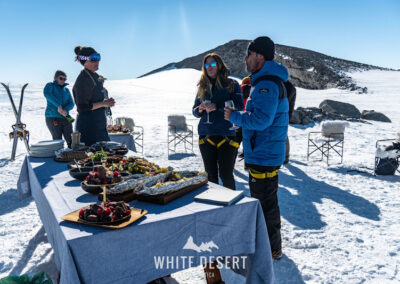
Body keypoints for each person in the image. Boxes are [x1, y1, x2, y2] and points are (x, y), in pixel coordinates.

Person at [224, 36, 289, 260]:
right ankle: (271, 247)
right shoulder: (265, 81)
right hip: (264, 152)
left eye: (248, 55)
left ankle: (269, 249)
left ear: (259, 57)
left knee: (264, 204)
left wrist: (235, 116)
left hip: (264, 154)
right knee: (266, 201)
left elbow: (261, 120)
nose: (245, 59)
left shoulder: (267, 85)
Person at [192, 53, 243, 190]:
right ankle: (215, 209)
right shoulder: (202, 86)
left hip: (226, 134)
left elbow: (239, 106)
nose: (209, 67)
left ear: (219, 65)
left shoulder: (232, 84)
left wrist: (218, 106)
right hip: (206, 135)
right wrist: (200, 109)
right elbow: (194, 111)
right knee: (210, 176)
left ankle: (232, 210)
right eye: (206, 65)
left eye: (213, 64)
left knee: (226, 176)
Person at [73, 46, 115, 146]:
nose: (97, 61)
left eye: (98, 57)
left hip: (98, 125)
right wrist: (103, 103)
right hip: (89, 128)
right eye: (93, 59)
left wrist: (105, 102)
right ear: (84, 61)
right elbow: (83, 107)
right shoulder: (84, 79)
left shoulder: (94, 76)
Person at [43, 70, 75, 148]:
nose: (63, 80)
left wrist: (65, 110)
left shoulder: (66, 90)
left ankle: (72, 156)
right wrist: (58, 106)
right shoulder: (50, 86)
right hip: (53, 117)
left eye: (65, 79)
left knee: (71, 140)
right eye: (61, 78)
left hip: (65, 116)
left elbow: (72, 103)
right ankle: (59, 157)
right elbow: (47, 94)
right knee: (58, 141)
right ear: (55, 78)